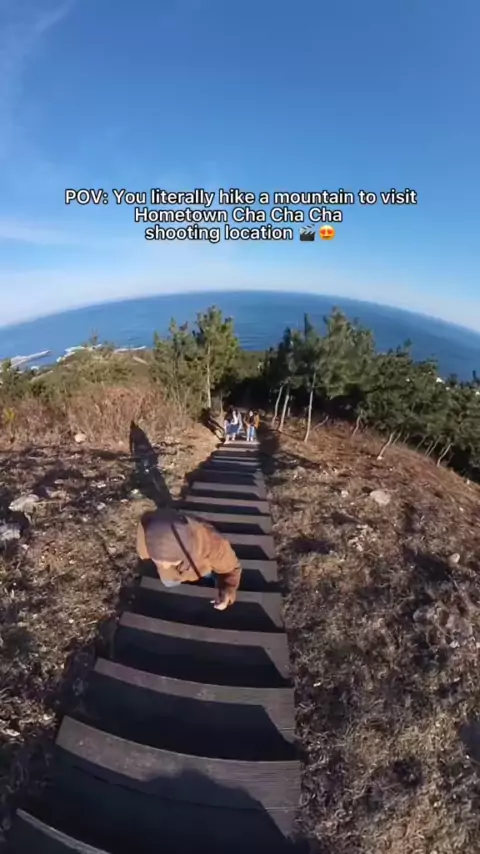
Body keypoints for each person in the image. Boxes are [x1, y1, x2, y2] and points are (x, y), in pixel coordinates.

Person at [136, 507, 242, 610]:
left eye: (172, 562)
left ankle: (208, 579)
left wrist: (227, 590)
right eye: (157, 560)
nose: (165, 566)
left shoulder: (213, 544)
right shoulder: (147, 530)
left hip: (201, 566)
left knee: (209, 575)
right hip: (179, 572)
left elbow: (232, 569)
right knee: (168, 581)